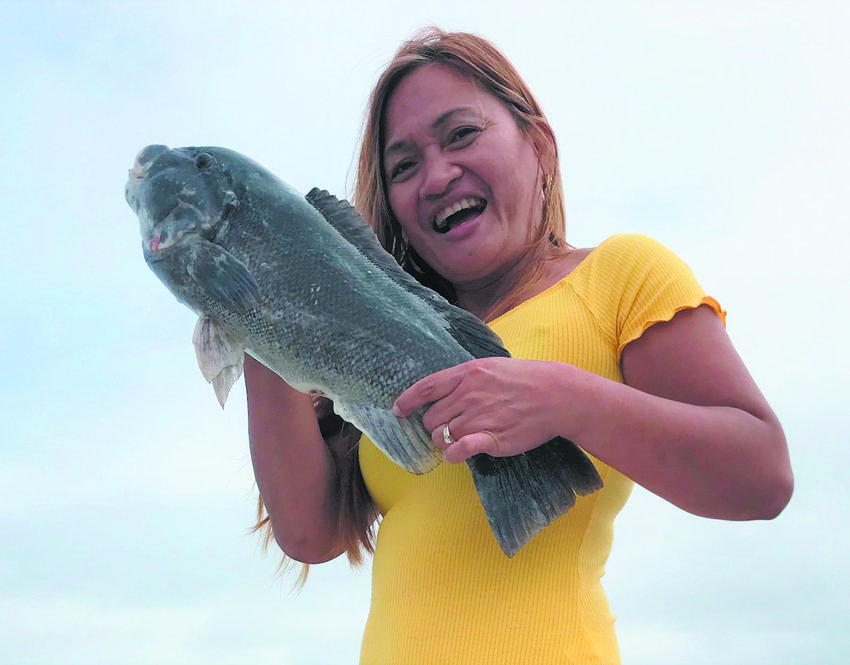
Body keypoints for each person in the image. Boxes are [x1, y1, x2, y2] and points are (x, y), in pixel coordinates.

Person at [244, 28, 793, 665]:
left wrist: (564, 398)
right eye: (404, 166)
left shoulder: (619, 274)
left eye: (461, 134)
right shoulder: (384, 339)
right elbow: (310, 533)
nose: (436, 175)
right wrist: (259, 312)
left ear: (540, 146)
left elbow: (762, 477)